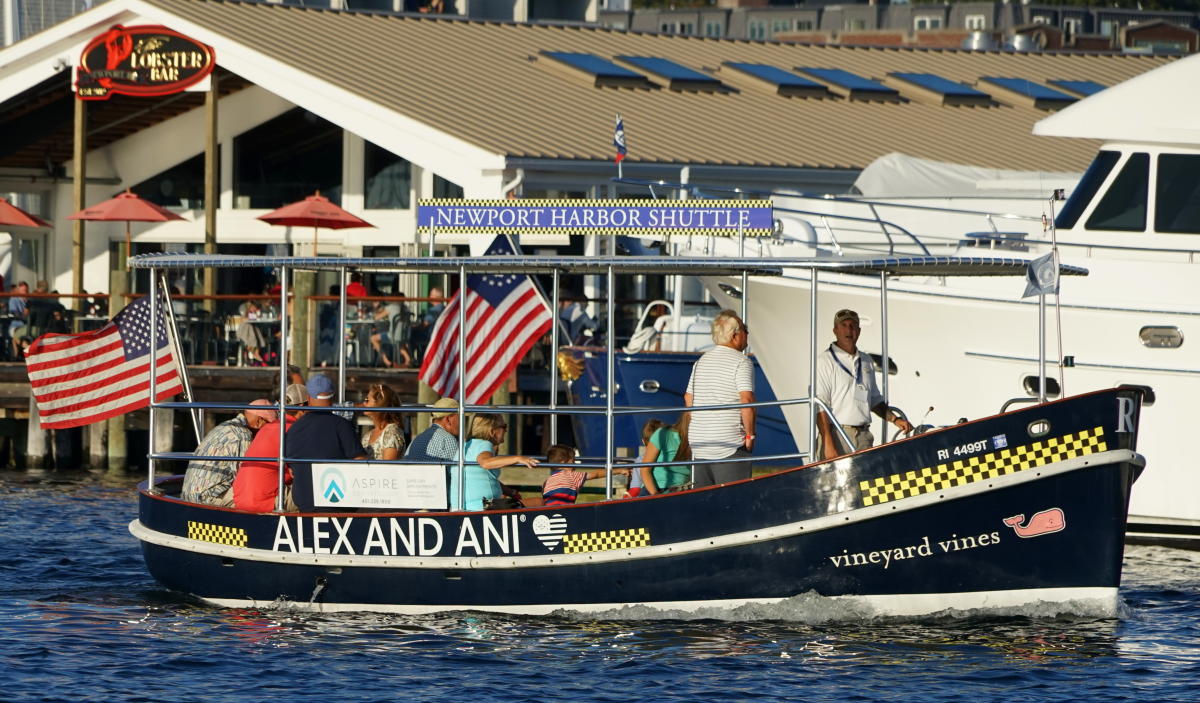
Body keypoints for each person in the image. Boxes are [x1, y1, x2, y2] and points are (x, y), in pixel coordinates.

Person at [815, 309, 913, 460]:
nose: (849, 330)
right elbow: (820, 406)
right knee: (832, 483)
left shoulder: (866, 360)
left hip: (864, 437)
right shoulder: (825, 361)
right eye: (844, 325)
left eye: (853, 326)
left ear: (859, 331)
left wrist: (895, 419)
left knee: (865, 482)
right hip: (837, 436)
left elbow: (874, 399)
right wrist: (828, 443)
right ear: (835, 330)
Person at [684, 310, 754, 488]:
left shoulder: (701, 361)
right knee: (734, 501)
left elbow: (688, 398)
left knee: (704, 502)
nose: (748, 334)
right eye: (745, 329)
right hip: (729, 443)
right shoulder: (741, 361)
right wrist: (750, 435)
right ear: (735, 335)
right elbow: (746, 400)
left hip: (699, 442)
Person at [285, 374, 367, 511]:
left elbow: (292, 470)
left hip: (304, 503)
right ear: (333, 398)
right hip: (337, 504)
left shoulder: (293, 429)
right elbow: (361, 461)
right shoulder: (341, 425)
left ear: (309, 398)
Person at [181, 399, 277, 506]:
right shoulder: (243, 436)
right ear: (259, 421)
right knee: (260, 497)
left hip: (189, 494)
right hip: (208, 498)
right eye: (269, 426)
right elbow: (244, 478)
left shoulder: (226, 426)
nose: (270, 430)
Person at [232, 384, 308, 512]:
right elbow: (301, 471)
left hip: (241, 499)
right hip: (265, 502)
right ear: (302, 407)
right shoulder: (296, 429)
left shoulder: (266, 428)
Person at [449, 413, 538, 511]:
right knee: (539, 502)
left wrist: (510, 492)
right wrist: (518, 458)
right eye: (504, 427)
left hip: (461, 506)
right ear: (492, 431)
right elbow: (485, 463)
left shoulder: (467, 445)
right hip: (485, 505)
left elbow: (483, 476)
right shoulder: (484, 444)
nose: (506, 430)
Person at [542, 443, 629, 506]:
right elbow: (596, 474)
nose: (574, 465)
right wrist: (619, 470)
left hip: (549, 510)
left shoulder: (547, 482)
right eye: (572, 461)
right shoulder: (571, 475)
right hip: (565, 510)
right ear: (563, 463)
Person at [637, 415, 691, 496]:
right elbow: (645, 470)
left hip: (681, 490)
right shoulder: (664, 434)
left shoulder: (696, 440)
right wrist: (656, 495)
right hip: (656, 490)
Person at [405, 397, 461, 463]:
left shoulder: (416, 439)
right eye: (460, 418)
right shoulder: (448, 440)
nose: (462, 423)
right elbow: (455, 471)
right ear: (448, 420)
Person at [362, 382, 405, 460]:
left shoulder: (392, 432)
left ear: (379, 404)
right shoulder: (368, 436)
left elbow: (388, 468)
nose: (364, 403)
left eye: (367, 400)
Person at [8, 282, 28, 355]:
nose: (25, 292)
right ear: (18, 290)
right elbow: (15, 313)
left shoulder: (30, 300)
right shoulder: (13, 300)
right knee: (16, 336)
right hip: (16, 325)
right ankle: (30, 350)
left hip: (27, 326)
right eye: (23, 290)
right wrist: (25, 315)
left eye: (26, 290)